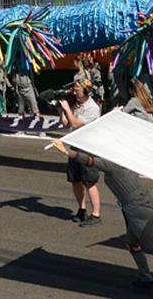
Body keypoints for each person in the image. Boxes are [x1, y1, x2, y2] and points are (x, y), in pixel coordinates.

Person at [51, 138, 153, 296]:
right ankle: (145, 277)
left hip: (139, 210)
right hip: (139, 206)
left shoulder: (113, 162)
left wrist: (66, 151)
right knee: (132, 243)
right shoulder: (125, 157)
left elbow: (90, 161)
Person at [57, 79, 101, 225]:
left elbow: (76, 124)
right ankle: (81, 209)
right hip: (75, 145)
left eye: (78, 90)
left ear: (86, 92)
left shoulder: (92, 108)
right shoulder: (76, 105)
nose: (74, 93)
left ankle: (96, 215)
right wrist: (61, 109)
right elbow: (67, 124)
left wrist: (67, 108)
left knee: (89, 181)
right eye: (74, 90)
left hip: (88, 147)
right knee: (75, 180)